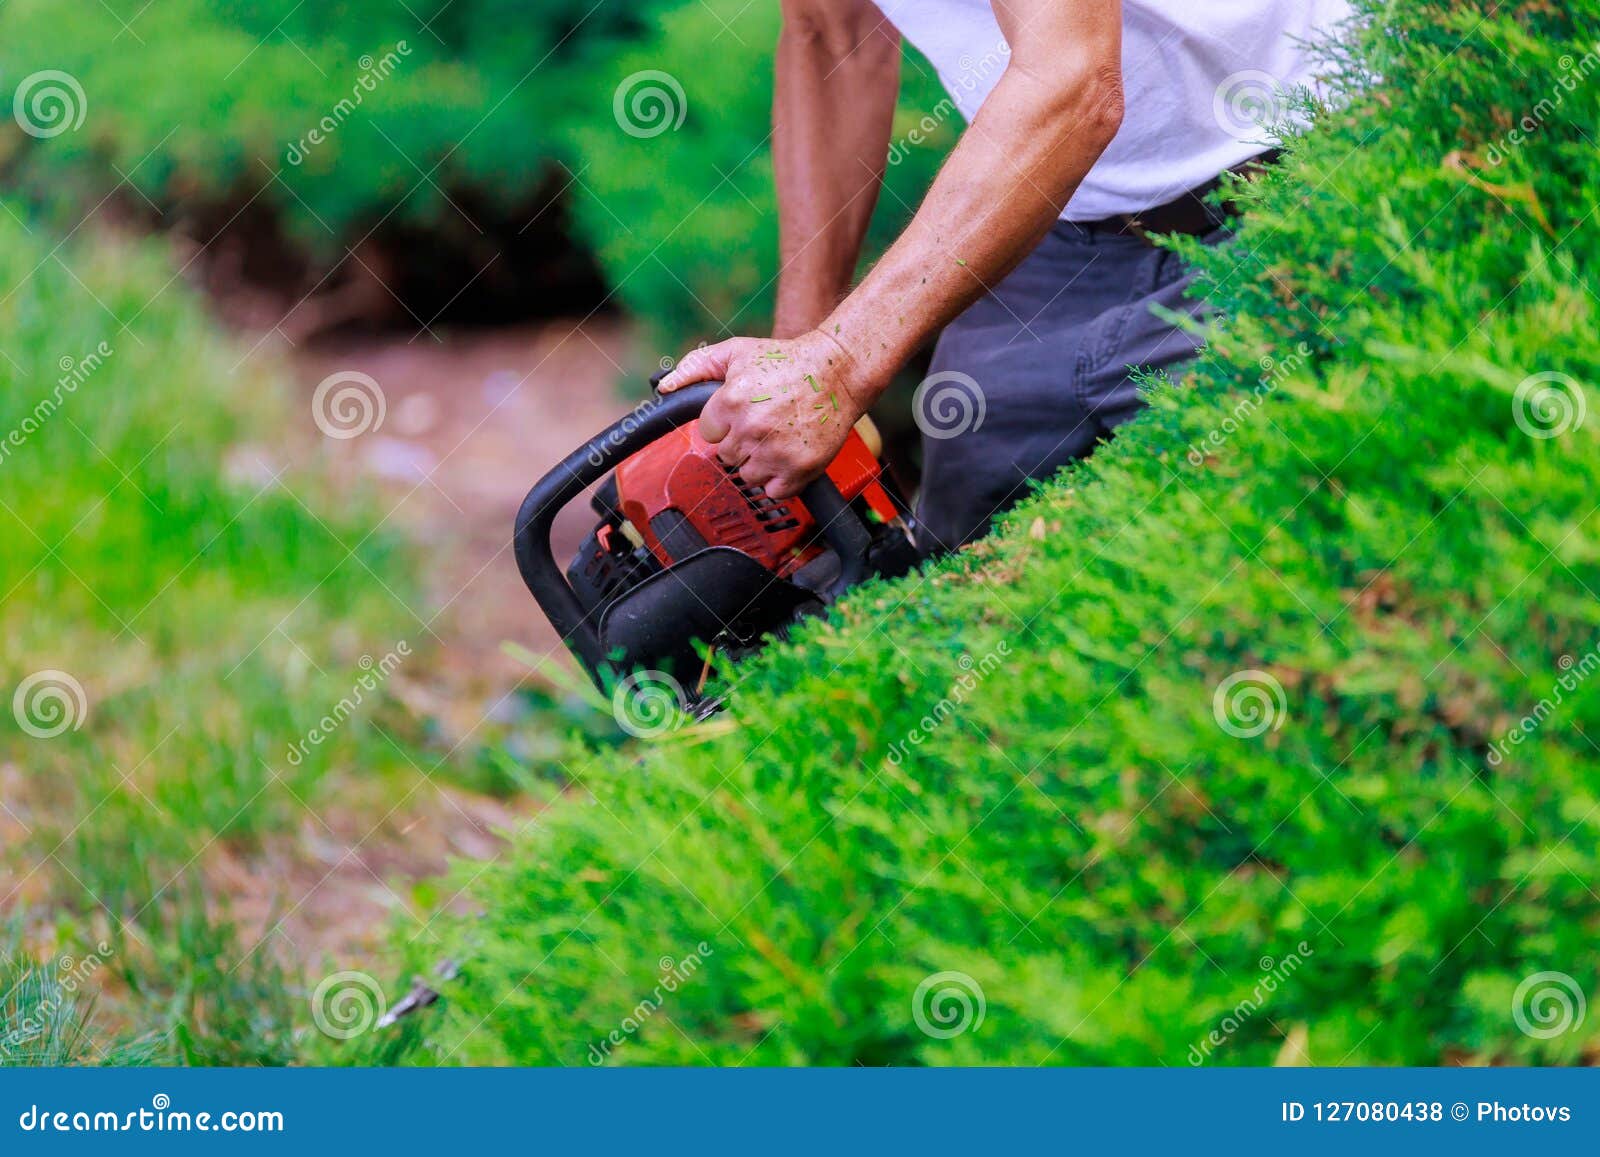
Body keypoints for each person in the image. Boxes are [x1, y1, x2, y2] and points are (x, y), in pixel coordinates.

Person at [658, 0, 1350, 552]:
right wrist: (797, 353)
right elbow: (832, 36)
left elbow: (1075, 85)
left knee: (1248, 550)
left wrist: (836, 365)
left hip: (1278, 187)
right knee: (959, 562)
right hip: (1059, 225)